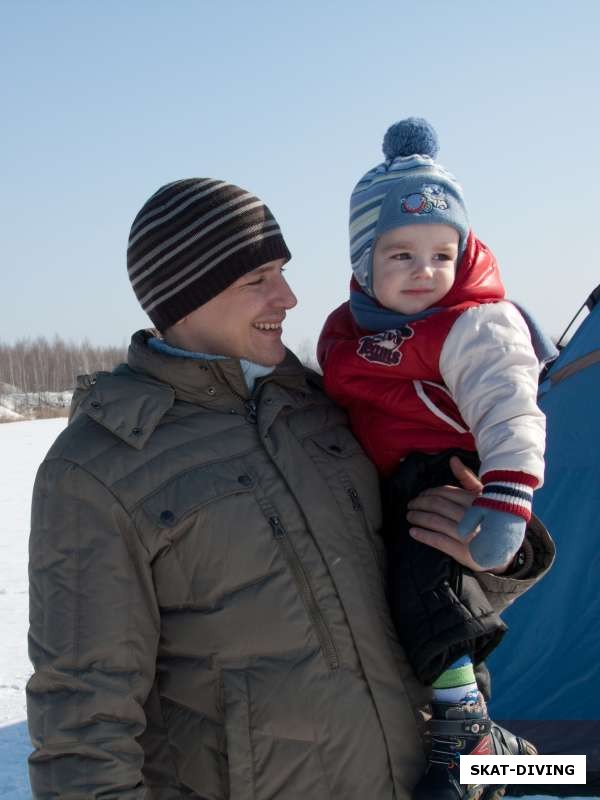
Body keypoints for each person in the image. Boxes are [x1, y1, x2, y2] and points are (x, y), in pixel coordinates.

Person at [27, 177, 554, 800]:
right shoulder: (98, 467)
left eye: (282, 270)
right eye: (258, 280)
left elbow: (417, 587)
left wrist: (490, 552)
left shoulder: (321, 407)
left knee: (566, 764)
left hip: (430, 778)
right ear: (184, 300)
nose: (290, 296)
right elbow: (83, 727)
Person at [318, 118, 547, 798]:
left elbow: (511, 409)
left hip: (444, 475)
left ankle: (469, 727)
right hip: (381, 482)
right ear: (363, 262)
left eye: (442, 255)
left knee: (427, 585)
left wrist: (505, 499)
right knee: (394, 595)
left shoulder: (475, 323)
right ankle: (488, 746)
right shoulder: (348, 329)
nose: (426, 272)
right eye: (401, 256)